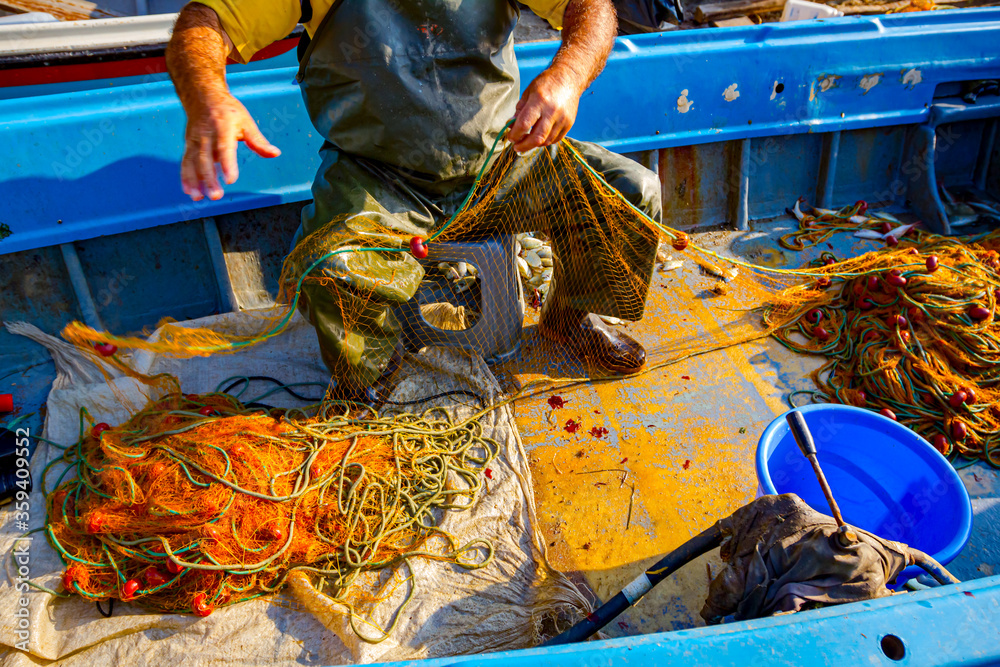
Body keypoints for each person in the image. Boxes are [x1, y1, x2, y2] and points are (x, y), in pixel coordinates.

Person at [165, 0, 661, 404]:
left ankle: (569, 320)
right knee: (331, 264)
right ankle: (369, 382)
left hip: (499, 158)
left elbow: (590, 6)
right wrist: (208, 94)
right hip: (377, 174)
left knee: (631, 193)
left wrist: (567, 75)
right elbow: (205, 21)